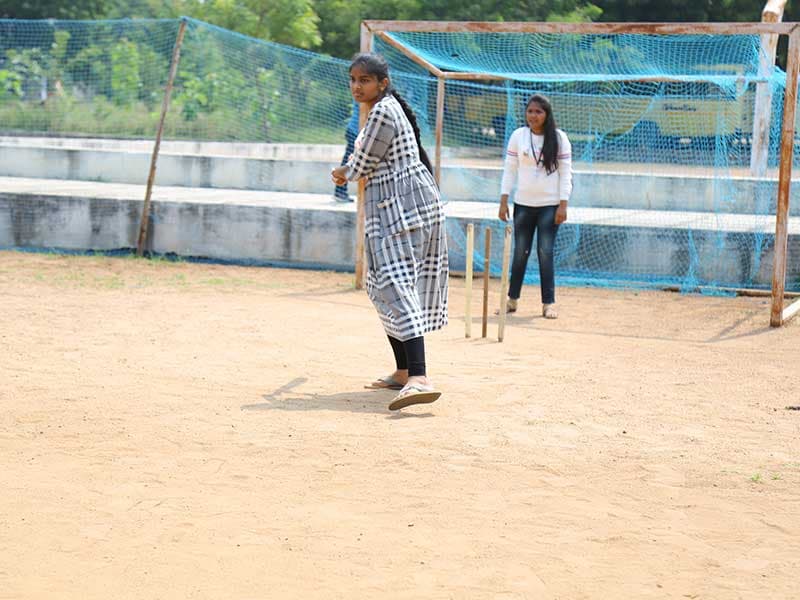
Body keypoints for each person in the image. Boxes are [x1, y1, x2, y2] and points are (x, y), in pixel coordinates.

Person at [330, 52, 448, 411]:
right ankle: (402, 370)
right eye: (353, 79)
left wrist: (344, 172)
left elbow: (363, 162)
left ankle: (419, 377)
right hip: (394, 207)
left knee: (396, 285)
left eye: (364, 80)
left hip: (403, 208)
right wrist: (350, 169)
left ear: (382, 83)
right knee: (379, 284)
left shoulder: (383, 110)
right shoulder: (383, 108)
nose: (356, 86)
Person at [498, 94, 572, 319]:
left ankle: (548, 303)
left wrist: (563, 205)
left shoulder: (559, 138)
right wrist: (503, 200)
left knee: (545, 252)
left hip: (550, 206)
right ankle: (512, 299)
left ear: (547, 114)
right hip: (523, 205)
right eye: (530, 111)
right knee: (520, 252)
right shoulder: (518, 136)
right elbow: (510, 169)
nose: (533, 116)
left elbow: (566, 173)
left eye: (538, 112)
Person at [333, 100, 359, 202]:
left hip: (356, 131)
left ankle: (340, 191)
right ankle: (340, 191)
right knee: (349, 162)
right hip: (355, 132)